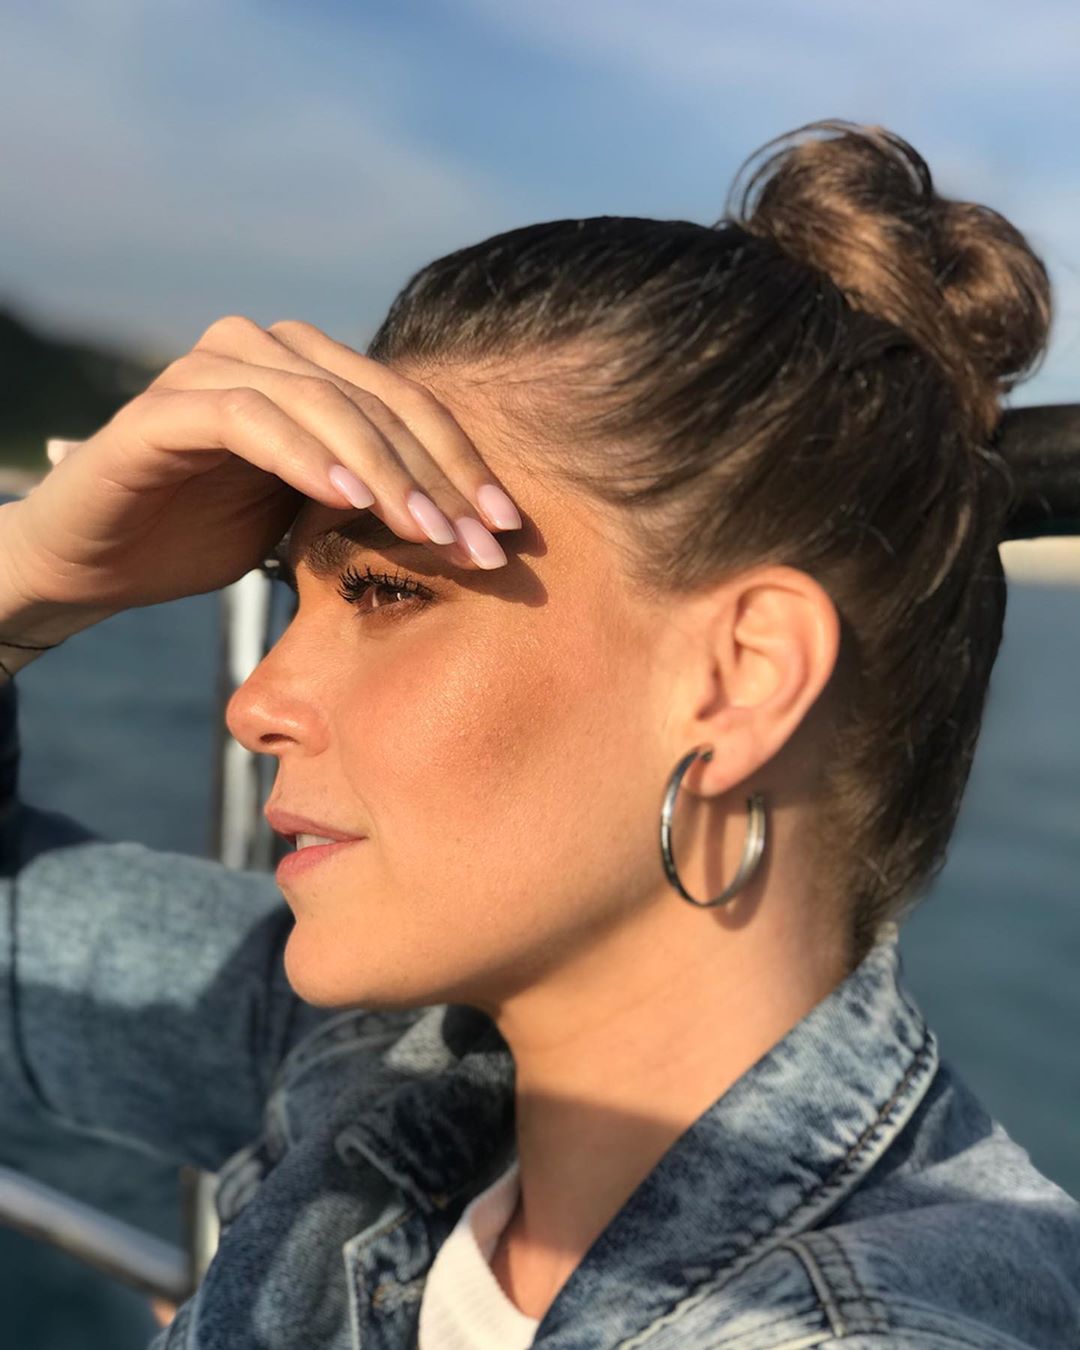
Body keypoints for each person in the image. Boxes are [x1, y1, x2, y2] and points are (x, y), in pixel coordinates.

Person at [1, 118, 1077, 1350]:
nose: (258, 702)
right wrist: (28, 572)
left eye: (386, 591)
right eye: (294, 597)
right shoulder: (380, 1070)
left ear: (740, 677)